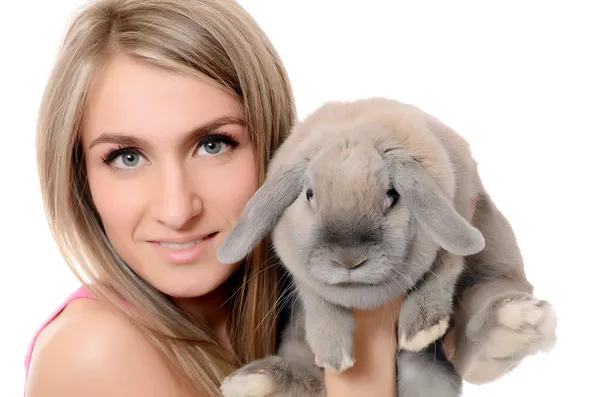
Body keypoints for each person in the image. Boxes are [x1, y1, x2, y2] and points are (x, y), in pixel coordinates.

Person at [23, 1, 470, 396]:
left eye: (213, 144)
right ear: (80, 176)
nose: (177, 210)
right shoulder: (93, 354)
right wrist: (368, 326)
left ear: (277, 148)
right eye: (126, 157)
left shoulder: (286, 305)